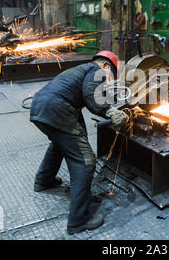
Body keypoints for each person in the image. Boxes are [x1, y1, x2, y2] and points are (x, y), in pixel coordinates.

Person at [29, 50, 129, 235]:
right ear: (106, 66)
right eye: (111, 76)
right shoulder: (96, 69)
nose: (109, 80)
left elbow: (81, 101)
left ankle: (44, 180)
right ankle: (78, 220)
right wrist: (110, 111)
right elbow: (91, 95)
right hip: (56, 109)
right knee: (85, 162)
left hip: (41, 107)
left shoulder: (80, 69)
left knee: (60, 144)